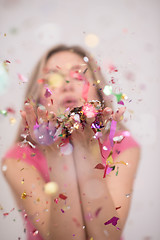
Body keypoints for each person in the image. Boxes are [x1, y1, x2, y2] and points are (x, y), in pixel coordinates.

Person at [1, 44, 140, 240]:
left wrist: (85, 148)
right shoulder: (17, 159)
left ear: (99, 92)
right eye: (52, 79)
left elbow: (106, 237)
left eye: (78, 75)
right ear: (38, 98)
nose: (67, 83)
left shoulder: (121, 146)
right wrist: (59, 154)